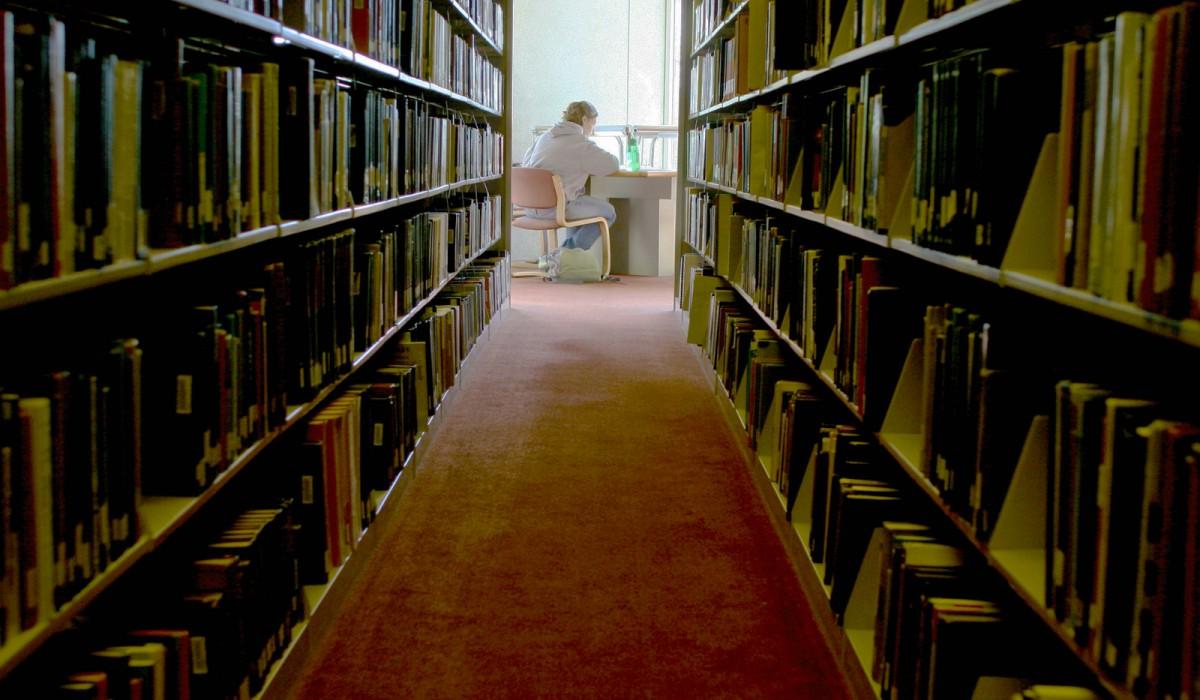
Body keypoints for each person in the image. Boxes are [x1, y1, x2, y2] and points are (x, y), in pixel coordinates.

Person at [520, 100, 619, 260]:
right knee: (608, 212)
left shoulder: (544, 137)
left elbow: (525, 166)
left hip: (529, 207)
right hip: (555, 209)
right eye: (593, 125)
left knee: (578, 202)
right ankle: (561, 257)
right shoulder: (580, 143)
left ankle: (562, 261)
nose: (592, 131)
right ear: (585, 120)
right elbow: (612, 165)